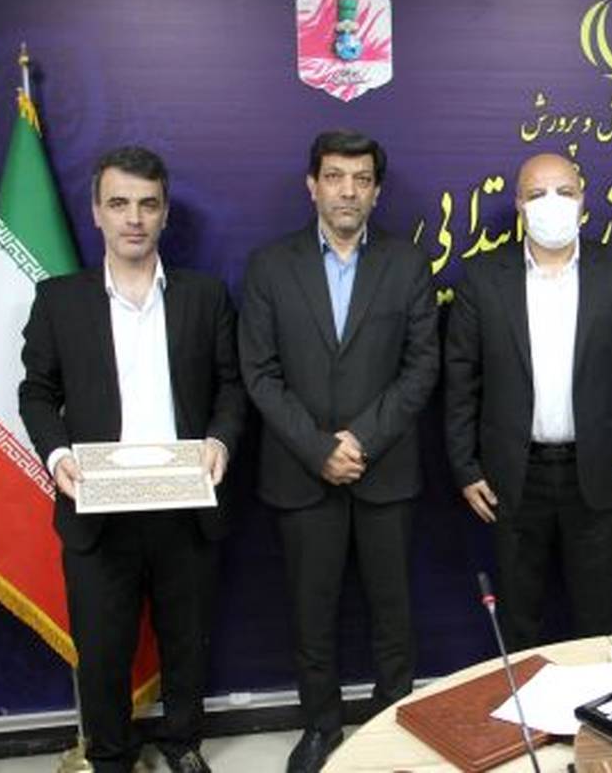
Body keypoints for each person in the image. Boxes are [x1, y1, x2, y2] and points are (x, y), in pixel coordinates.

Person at [18, 146, 246, 773]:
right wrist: (57, 454)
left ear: (165, 212)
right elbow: (36, 392)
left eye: (148, 204)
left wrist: (220, 441)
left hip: (186, 505)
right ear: (96, 211)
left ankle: (182, 745)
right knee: (102, 651)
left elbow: (232, 386)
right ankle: (112, 758)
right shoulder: (59, 300)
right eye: (119, 203)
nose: (134, 219)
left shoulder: (205, 297)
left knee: (187, 643)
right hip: (98, 509)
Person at [238, 130, 439, 773]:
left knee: (393, 612)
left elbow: (421, 367)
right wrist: (318, 447)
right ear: (312, 185)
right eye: (334, 177)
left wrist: (362, 440)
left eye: (361, 179)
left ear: (377, 191)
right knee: (311, 612)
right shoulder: (270, 266)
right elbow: (259, 372)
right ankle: (321, 726)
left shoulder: (407, 264)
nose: (347, 191)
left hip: (386, 468)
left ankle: (391, 725)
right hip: (301, 472)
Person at [445, 152, 612, 650]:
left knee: (597, 617)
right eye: (537, 194)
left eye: (565, 192)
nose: (552, 204)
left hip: (599, 474)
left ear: (583, 201)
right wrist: (465, 468)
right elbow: (460, 379)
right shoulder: (482, 275)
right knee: (519, 617)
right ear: (518, 203)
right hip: (512, 477)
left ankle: (595, 702)